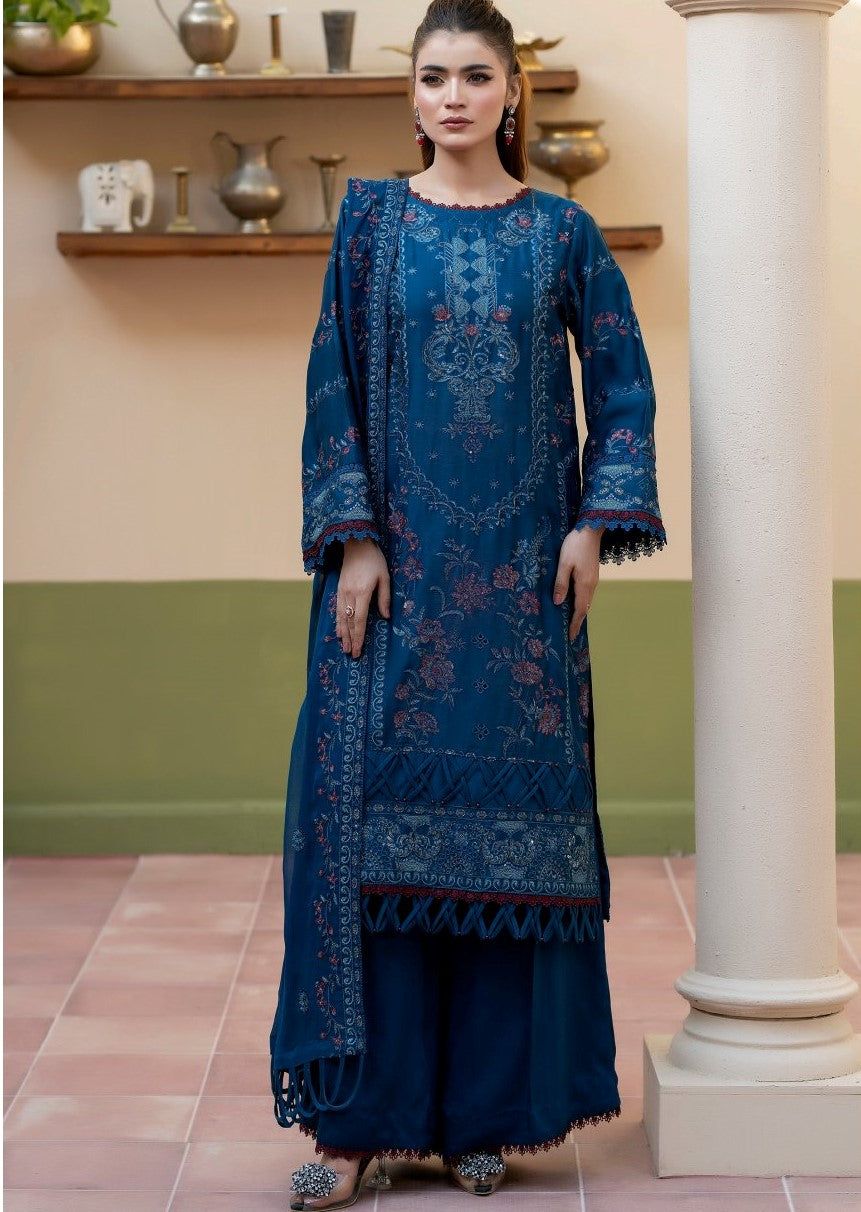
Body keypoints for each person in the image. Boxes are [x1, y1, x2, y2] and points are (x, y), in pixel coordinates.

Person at [270, 0, 667, 1206]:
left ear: (511, 93)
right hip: (394, 582)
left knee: (514, 851)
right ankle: (359, 1128)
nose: (452, 96)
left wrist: (595, 524)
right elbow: (331, 381)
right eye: (433, 76)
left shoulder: (562, 233)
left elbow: (624, 384)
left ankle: (482, 1119)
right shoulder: (369, 225)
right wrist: (353, 542)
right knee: (367, 843)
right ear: (411, 95)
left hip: (521, 596)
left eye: (475, 76)